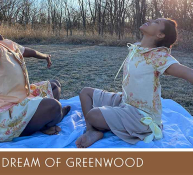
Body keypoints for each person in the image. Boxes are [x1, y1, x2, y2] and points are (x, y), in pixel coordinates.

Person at [76, 18, 193, 148]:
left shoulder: (159, 56)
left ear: (160, 35)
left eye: (156, 22)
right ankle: (91, 131)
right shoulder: (137, 47)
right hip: (125, 101)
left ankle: (100, 126)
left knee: (93, 115)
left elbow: (188, 73)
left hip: (141, 116)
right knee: (85, 92)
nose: (150, 20)